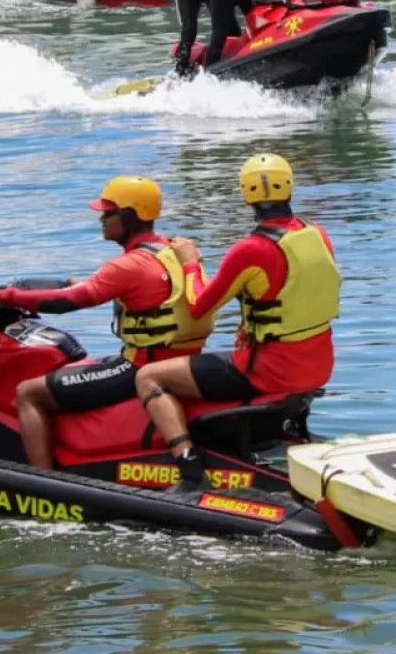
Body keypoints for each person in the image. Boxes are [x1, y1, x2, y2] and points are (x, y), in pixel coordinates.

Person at [0, 177, 212, 470]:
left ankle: (43, 483)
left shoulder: (128, 265)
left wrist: (4, 296)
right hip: (181, 363)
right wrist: (39, 287)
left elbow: (69, 301)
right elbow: (111, 287)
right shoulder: (174, 252)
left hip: (137, 368)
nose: (101, 218)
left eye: (108, 213)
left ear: (129, 216)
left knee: (28, 393)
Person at [133, 154, 339, 490]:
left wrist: (190, 263)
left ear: (246, 197)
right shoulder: (319, 235)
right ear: (290, 187)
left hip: (271, 372)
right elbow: (296, 292)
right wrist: (251, 326)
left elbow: (199, 305)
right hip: (320, 365)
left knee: (148, 377)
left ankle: (188, 468)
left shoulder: (251, 249)